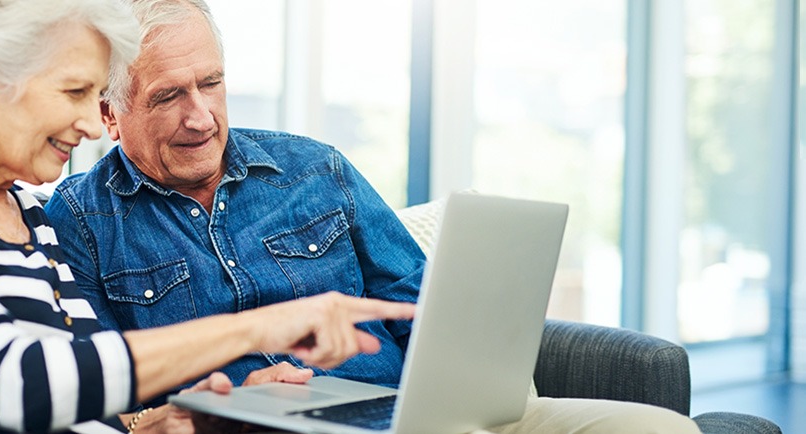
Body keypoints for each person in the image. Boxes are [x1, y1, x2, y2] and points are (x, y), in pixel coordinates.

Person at [44, 0, 703, 433]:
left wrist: (463, 389)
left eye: (211, 84)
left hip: (413, 417)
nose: (201, 116)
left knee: (664, 428)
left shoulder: (315, 170)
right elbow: (95, 396)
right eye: (167, 96)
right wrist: (205, 412)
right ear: (108, 113)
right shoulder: (79, 222)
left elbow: (424, 309)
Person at [0, 1, 417, 433]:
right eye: (75, 92)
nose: (90, 122)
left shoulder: (26, 220)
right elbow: (13, 384)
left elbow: (94, 397)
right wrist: (260, 329)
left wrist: (178, 421)